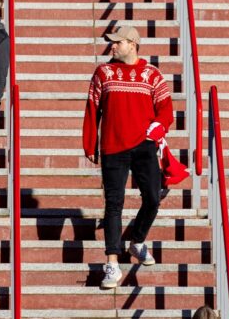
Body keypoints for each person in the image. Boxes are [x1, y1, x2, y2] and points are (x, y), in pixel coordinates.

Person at [82, 26, 174, 288]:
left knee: (153, 198)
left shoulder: (152, 74)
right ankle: (112, 263)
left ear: (132, 44)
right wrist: (90, 143)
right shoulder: (103, 72)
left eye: (117, 43)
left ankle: (137, 241)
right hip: (113, 147)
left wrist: (161, 125)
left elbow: (166, 108)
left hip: (144, 145)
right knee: (114, 204)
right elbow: (92, 108)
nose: (112, 47)